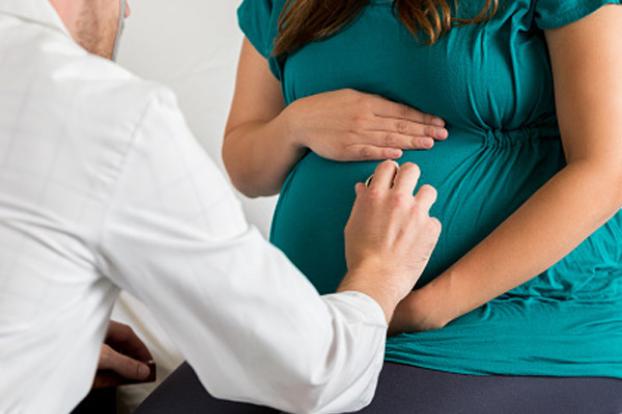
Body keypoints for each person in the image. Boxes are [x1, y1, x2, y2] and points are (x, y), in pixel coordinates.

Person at [0, 0, 443, 413]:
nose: (127, 12)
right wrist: (379, 274)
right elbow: (308, 371)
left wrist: (40, 338)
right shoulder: (110, 115)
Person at [219, 0, 622, 411]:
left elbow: (606, 169)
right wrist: (295, 124)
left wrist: (424, 308)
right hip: (322, 325)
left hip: (503, 326)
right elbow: (246, 169)